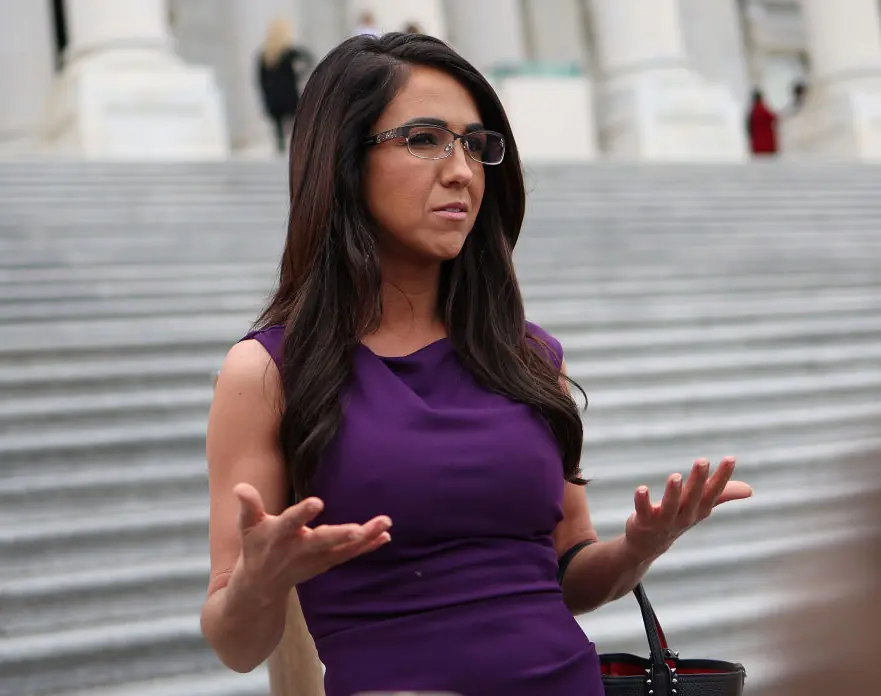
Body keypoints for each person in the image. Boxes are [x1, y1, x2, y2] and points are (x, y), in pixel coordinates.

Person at [202, 32, 753, 696]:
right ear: (343, 160)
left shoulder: (526, 355)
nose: (461, 170)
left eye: (474, 143)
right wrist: (262, 581)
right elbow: (236, 645)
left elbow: (569, 573)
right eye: (423, 138)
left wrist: (638, 548)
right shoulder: (265, 373)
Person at [257, 17, 312, 154]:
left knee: (279, 127)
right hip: (289, 95)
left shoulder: (265, 55)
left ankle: (281, 147)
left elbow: (261, 79)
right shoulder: (289, 52)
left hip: (273, 97)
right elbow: (309, 58)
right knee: (297, 123)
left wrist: (265, 95)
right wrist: (300, 74)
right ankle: (297, 146)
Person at [747, 88, 778, 156]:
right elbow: (774, 118)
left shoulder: (752, 111)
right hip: (766, 144)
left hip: (757, 144)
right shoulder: (762, 109)